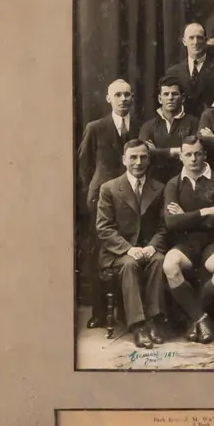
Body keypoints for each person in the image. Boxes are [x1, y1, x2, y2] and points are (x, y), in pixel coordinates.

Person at [95, 139, 168, 349]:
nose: (138, 162)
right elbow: (104, 228)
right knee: (129, 264)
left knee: (159, 260)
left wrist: (152, 246)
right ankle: (138, 325)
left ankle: (153, 320)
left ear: (149, 159)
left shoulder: (159, 188)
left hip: (148, 248)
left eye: (143, 157)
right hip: (118, 252)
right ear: (124, 159)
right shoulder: (109, 188)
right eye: (133, 157)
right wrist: (128, 249)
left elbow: (164, 226)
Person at [77, 78, 138, 329]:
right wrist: (96, 187)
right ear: (108, 99)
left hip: (131, 197)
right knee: (99, 254)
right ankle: (99, 313)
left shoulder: (140, 128)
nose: (123, 99)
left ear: (132, 98)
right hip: (101, 198)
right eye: (118, 95)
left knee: (128, 249)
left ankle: (126, 312)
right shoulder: (95, 127)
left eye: (127, 95)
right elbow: (84, 164)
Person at [161, 137, 214, 344]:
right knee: (170, 264)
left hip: (213, 242)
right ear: (181, 157)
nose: (193, 158)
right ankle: (202, 320)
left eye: (197, 153)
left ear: (205, 155)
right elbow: (172, 222)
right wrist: (203, 212)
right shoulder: (173, 184)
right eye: (188, 154)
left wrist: (187, 216)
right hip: (186, 244)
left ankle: (195, 320)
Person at [138, 75, 200, 184]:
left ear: (183, 98)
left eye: (174, 94)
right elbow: (144, 153)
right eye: (166, 94)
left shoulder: (194, 122)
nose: (170, 98)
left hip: (185, 182)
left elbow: (193, 151)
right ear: (159, 99)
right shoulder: (148, 126)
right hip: (154, 183)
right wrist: (173, 151)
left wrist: (156, 151)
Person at [166, 22, 214, 116]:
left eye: (199, 38)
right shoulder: (173, 72)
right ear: (184, 41)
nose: (195, 42)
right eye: (191, 38)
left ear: (205, 41)